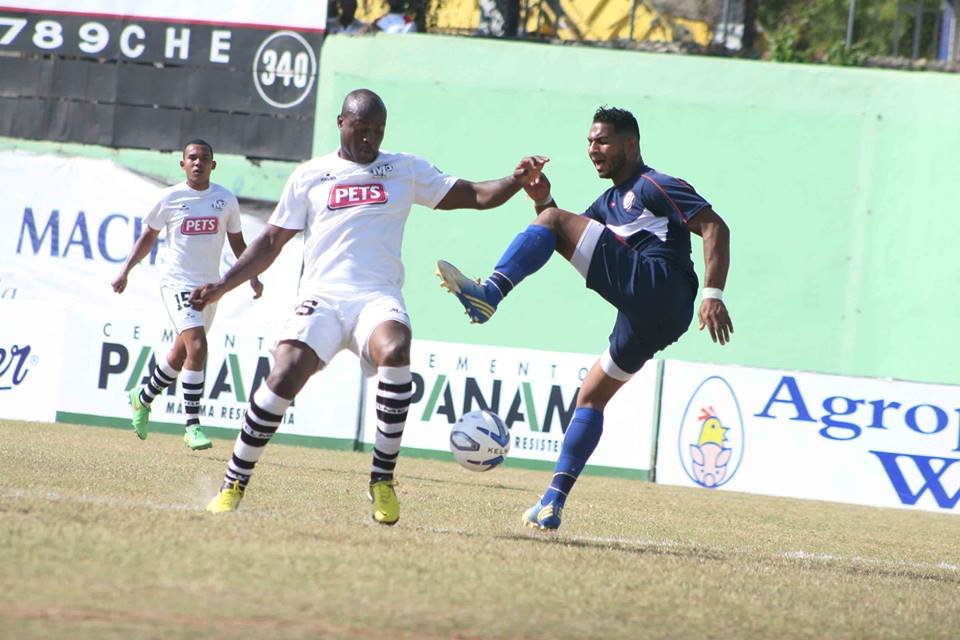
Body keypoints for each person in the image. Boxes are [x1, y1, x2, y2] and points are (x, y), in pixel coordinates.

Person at [192, 88, 545, 524]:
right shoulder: (310, 175)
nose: (370, 138)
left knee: (396, 350)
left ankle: (382, 480)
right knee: (284, 374)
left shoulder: (403, 168)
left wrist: (515, 180)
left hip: (376, 295)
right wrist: (223, 285)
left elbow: (474, 194)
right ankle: (234, 483)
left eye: (378, 130)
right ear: (342, 122)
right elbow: (269, 242)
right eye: (362, 129)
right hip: (321, 296)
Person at [435, 106, 733, 531]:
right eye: (590, 141)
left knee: (555, 221)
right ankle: (553, 501)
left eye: (603, 141)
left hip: (662, 285)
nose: (593, 148)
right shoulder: (606, 203)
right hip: (649, 316)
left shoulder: (654, 185)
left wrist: (714, 293)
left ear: (631, 144)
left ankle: (490, 294)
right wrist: (541, 198)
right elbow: (560, 237)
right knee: (591, 395)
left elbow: (715, 227)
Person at [112, 140, 263, 450]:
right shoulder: (170, 198)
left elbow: (237, 243)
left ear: (213, 165)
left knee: (181, 355)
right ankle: (192, 425)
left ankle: (142, 399)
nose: (198, 163)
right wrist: (125, 270)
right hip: (177, 282)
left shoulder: (225, 200)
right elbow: (147, 237)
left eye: (204, 158)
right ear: (182, 164)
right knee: (198, 345)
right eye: (192, 158)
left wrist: (253, 276)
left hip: (210, 287)